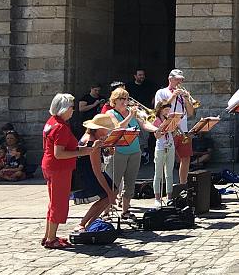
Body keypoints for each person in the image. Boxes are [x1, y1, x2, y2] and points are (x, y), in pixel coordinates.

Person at [41, 93, 97, 249]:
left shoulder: (52, 122)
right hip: (59, 168)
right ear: (64, 108)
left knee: (54, 202)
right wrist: (83, 152)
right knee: (59, 203)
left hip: (50, 165)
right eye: (71, 107)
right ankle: (51, 239)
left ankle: (48, 235)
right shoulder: (60, 127)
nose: (73, 110)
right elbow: (59, 154)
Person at [107, 87, 158, 219]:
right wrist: (130, 116)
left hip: (135, 151)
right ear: (114, 101)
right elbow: (118, 127)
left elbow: (144, 124)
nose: (125, 101)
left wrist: (156, 129)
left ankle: (125, 211)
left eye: (126, 98)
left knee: (130, 183)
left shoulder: (133, 112)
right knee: (113, 183)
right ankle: (106, 211)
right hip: (118, 152)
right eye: (121, 99)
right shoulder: (110, 113)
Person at [72, 115, 117, 232]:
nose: (108, 132)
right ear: (99, 129)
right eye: (106, 129)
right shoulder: (91, 141)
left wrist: (107, 151)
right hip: (87, 174)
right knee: (108, 194)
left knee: (111, 192)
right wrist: (109, 193)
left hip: (89, 171)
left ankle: (89, 223)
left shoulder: (91, 137)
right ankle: (83, 223)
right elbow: (96, 170)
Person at [154, 69, 195, 185]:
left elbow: (191, 113)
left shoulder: (183, 93)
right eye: (177, 79)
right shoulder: (161, 92)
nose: (179, 82)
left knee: (186, 157)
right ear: (170, 79)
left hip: (183, 130)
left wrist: (187, 99)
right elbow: (159, 109)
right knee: (166, 161)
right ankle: (165, 186)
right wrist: (173, 96)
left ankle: (183, 184)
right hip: (168, 130)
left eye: (181, 80)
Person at [152, 102, 176, 206]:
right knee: (158, 174)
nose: (167, 112)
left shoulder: (170, 119)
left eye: (168, 110)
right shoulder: (156, 120)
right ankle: (157, 198)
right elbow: (157, 136)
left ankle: (169, 197)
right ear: (160, 109)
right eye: (166, 110)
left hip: (170, 146)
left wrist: (174, 127)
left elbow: (173, 134)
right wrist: (164, 124)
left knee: (169, 173)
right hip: (160, 147)